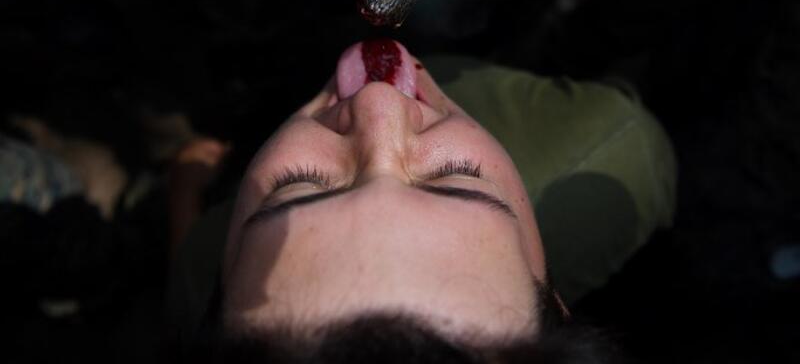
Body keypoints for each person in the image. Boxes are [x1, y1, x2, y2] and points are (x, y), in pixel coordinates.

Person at [167, 39, 677, 361]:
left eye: (298, 185)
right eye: (457, 179)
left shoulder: (195, 275)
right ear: (557, 306)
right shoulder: (620, 147)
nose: (378, 101)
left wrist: (183, 196)